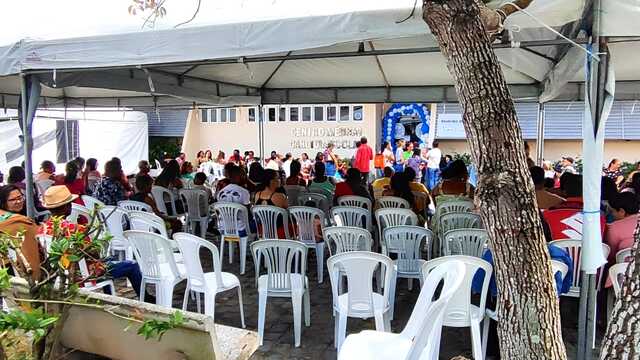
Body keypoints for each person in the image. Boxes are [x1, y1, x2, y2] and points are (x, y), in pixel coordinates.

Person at [42, 185, 150, 301]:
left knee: (108, 260)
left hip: (61, 274)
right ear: (66, 206)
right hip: (84, 274)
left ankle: (109, 296)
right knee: (131, 265)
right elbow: (94, 253)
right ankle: (147, 300)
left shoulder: (42, 229)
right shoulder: (75, 229)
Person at [0, 185, 41, 280]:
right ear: (3, 202)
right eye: (13, 200)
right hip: (12, 268)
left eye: (20, 197)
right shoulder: (19, 222)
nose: (18, 201)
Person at [605, 192, 640, 264]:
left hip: (623, 270)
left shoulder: (614, 227)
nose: (611, 214)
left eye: (612, 211)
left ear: (622, 211)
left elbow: (610, 255)